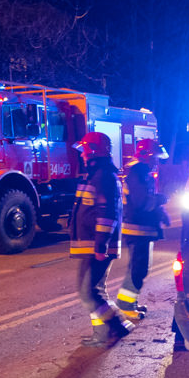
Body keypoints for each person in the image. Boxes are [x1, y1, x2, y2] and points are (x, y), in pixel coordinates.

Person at [69, 132, 134, 347]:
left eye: (85, 151)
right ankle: (102, 334)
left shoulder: (103, 176)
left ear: (92, 152)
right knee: (93, 291)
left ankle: (117, 326)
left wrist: (100, 245)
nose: (83, 155)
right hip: (92, 244)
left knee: (89, 292)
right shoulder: (98, 174)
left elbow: (107, 213)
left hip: (95, 245)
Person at [116, 139, 169, 319]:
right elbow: (142, 203)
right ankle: (125, 305)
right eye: (155, 157)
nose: (157, 161)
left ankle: (130, 302)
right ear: (148, 156)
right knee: (138, 269)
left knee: (138, 268)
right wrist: (161, 200)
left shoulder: (140, 171)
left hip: (140, 229)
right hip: (138, 229)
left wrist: (160, 213)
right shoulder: (138, 172)